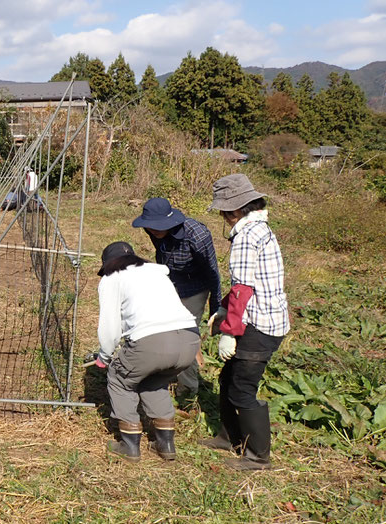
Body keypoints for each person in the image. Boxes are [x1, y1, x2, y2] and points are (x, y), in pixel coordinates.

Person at [200, 174, 289, 471]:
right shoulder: (260, 228)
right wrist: (225, 309)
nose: (224, 218)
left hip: (260, 325)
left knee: (242, 388)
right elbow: (247, 286)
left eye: (225, 212)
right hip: (266, 317)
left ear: (235, 210)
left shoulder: (246, 236)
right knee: (227, 379)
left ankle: (258, 456)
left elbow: (242, 289)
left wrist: (230, 331)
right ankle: (230, 437)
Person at [95, 241, 200, 463]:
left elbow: (109, 326)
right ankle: (166, 444)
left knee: (119, 378)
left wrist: (104, 356)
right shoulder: (157, 273)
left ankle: (129, 446)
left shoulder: (111, 279)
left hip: (154, 342)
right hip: (190, 340)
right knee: (153, 380)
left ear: (108, 265)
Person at [131, 198, 222, 396]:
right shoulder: (153, 231)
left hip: (195, 288)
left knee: (185, 336)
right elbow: (162, 255)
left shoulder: (197, 235)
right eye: (149, 226)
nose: (152, 230)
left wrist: (216, 307)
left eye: (157, 226)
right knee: (160, 329)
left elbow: (212, 271)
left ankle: (187, 390)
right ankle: (161, 372)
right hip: (169, 284)